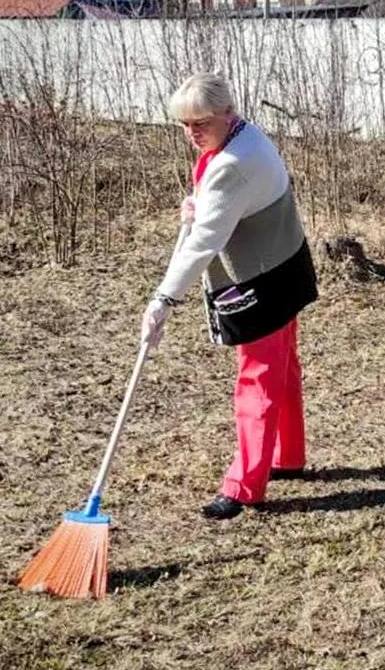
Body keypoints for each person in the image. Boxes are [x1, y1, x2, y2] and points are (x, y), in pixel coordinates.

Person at [141, 72, 318, 520]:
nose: (191, 133)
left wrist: (163, 300)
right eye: (184, 124)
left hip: (262, 279)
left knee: (256, 378)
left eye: (200, 123)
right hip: (284, 263)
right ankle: (287, 455)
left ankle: (245, 486)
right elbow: (218, 202)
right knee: (282, 366)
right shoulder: (246, 136)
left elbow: (202, 244)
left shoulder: (231, 164)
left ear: (227, 112)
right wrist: (198, 203)